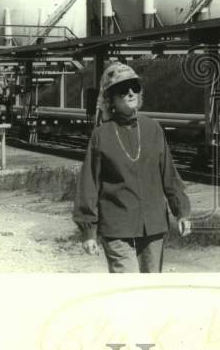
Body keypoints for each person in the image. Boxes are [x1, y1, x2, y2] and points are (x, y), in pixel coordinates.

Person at [73, 62, 192, 273]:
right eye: (122, 89)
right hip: (117, 225)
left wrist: (181, 211)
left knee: (150, 286)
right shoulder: (102, 135)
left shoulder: (153, 129)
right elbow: (89, 185)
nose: (130, 93)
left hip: (154, 223)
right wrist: (88, 231)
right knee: (127, 287)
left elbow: (169, 175)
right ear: (110, 99)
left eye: (134, 87)